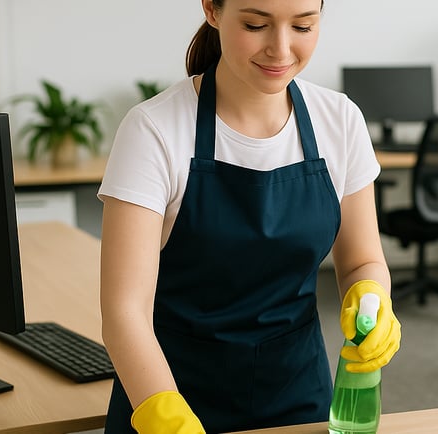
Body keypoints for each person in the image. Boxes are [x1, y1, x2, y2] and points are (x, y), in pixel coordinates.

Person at [97, 0, 402, 432]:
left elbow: (361, 260)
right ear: (213, 10)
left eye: (302, 26)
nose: (280, 49)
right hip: (170, 393)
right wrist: (163, 414)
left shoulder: (340, 120)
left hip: (298, 396)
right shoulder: (154, 130)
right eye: (256, 24)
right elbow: (124, 312)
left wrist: (371, 294)